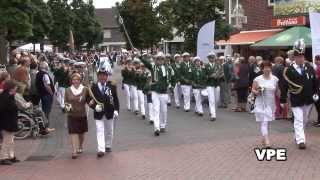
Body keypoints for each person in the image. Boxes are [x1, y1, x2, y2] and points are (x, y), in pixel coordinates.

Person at [280, 39, 318, 149]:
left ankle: (298, 136)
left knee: (305, 120)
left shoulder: (309, 68)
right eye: (298, 57)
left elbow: (315, 82)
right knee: (299, 119)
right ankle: (301, 141)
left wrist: (316, 93)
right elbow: (284, 86)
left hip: (308, 99)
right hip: (296, 99)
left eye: (302, 56)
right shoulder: (288, 70)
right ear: (294, 57)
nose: (300, 59)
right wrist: (283, 99)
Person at [89, 64, 119, 158]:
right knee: (99, 130)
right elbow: (89, 100)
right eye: (101, 75)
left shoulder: (112, 86)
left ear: (107, 76)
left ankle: (108, 145)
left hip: (110, 112)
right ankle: (101, 149)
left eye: (104, 75)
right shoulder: (93, 87)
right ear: (98, 76)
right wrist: (94, 107)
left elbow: (115, 99)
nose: (103, 77)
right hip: (98, 113)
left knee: (109, 131)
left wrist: (116, 110)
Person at [141, 52, 170, 136]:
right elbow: (146, 63)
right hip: (155, 92)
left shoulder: (167, 68)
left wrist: (170, 85)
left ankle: (163, 125)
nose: (159, 60)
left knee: (164, 111)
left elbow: (173, 77)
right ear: (156, 60)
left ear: (163, 60)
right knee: (156, 110)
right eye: (158, 59)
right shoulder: (153, 67)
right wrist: (139, 55)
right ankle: (156, 128)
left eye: (161, 59)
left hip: (164, 92)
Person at [252, 61, 279, 148]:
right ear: (262, 69)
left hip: (271, 103)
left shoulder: (275, 79)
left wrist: (283, 101)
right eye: (265, 67)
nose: (267, 69)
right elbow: (253, 89)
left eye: (268, 67)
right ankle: (267, 141)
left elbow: (277, 91)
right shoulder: (257, 79)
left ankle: (264, 137)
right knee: (264, 121)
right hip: (261, 102)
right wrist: (258, 91)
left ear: (271, 68)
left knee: (267, 122)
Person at [64, 73, 90, 159]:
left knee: (81, 134)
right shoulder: (67, 90)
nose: (75, 81)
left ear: (80, 81)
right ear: (71, 81)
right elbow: (66, 102)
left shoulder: (85, 89)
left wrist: (92, 103)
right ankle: (74, 150)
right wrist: (68, 109)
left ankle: (80, 145)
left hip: (82, 114)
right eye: (74, 79)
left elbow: (89, 100)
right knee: (73, 132)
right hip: (72, 115)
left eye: (77, 79)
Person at [0, 80, 19, 165]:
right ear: (11, 88)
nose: (16, 89)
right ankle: (3, 157)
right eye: (15, 88)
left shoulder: (7, 96)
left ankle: (11, 156)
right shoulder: (6, 97)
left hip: (9, 121)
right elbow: (6, 109)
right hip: (7, 122)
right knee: (7, 140)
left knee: (10, 140)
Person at [36, 62, 55, 129]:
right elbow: (47, 85)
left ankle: (43, 125)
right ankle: (46, 126)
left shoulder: (38, 73)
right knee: (47, 110)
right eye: (47, 66)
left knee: (44, 110)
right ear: (46, 67)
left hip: (41, 94)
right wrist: (51, 93)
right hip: (47, 95)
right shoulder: (45, 74)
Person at [204, 52, 219, 121]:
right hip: (209, 85)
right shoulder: (206, 66)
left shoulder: (218, 65)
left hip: (216, 84)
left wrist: (218, 76)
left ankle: (212, 111)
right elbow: (204, 76)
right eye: (210, 57)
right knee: (211, 100)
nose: (212, 58)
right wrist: (210, 76)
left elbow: (221, 74)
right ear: (208, 58)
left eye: (213, 57)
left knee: (216, 100)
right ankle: (213, 115)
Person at [313, 55, 320, 127]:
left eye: (315, 60)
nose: (314, 61)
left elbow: (316, 79)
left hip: (318, 89)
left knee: (318, 106)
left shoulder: (318, 68)